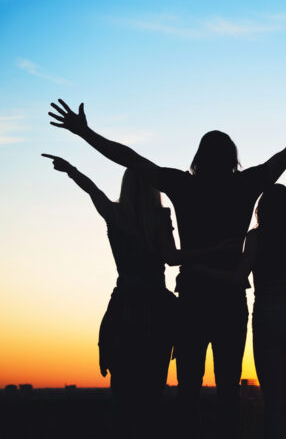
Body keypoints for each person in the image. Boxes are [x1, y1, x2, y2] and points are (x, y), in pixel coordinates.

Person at [48, 88, 286, 436]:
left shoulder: (182, 186)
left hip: (192, 299)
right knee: (228, 393)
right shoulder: (244, 184)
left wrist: (85, 133)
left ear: (198, 158)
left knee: (189, 393)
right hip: (229, 303)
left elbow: (129, 159)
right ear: (232, 159)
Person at [41, 154, 224, 438]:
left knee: (123, 395)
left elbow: (93, 191)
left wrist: (71, 170)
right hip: (157, 312)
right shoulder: (160, 218)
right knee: (153, 391)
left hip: (124, 311)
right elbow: (172, 257)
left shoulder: (116, 216)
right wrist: (211, 251)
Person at [186, 151, 286, 439]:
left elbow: (237, 277)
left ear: (262, 209)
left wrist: (202, 270)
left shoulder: (256, 237)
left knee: (274, 404)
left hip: (267, 319)